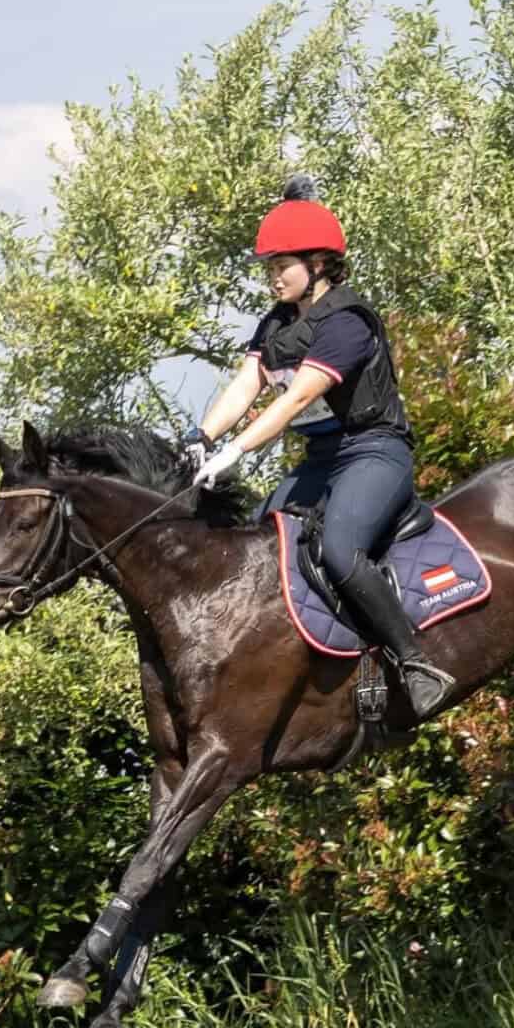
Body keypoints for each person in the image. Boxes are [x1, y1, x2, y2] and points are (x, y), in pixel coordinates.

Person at [184, 174, 456, 720]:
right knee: (252, 545)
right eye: (269, 266)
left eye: (281, 265)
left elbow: (297, 398)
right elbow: (246, 384)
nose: (272, 276)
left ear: (320, 264)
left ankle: (415, 664)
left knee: (338, 550)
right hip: (320, 462)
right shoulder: (276, 324)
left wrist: (236, 451)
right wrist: (201, 437)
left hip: (374, 453)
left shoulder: (347, 323)